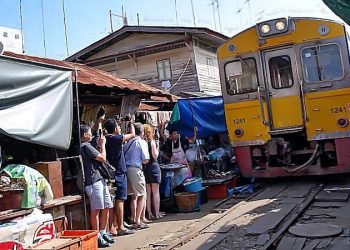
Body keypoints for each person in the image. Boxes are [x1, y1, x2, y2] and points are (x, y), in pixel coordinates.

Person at [80, 124, 115, 248]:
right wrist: (103, 145)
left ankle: (103, 231)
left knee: (106, 205)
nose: (91, 134)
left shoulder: (87, 146)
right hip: (93, 181)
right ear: (84, 134)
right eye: (89, 132)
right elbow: (102, 158)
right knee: (96, 209)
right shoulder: (86, 146)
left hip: (99, 179)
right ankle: (97, 236)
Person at [104, 118, 136, 236]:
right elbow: (132, 134)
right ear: (115, 129)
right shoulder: (116, 138)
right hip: (119, 172)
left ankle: (113, 226)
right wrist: (130, 122)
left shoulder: (104, 139)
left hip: (110, 173)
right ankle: (121, 227)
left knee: (112, 201)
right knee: (120, 200)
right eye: (117, 126)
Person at [124, 123, 150, 230]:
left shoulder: (128, 142)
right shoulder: (141, 142)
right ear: (142, 132)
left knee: (133, 196)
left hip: (127, 169)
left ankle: (133, 218)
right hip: (136, 169)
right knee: (142, 195)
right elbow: (145, 159)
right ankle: (137, 220)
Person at [143, 124, 162, 220]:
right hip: (153, 167)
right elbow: (155, 156)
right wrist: (157, 147)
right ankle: (157, 213)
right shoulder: (152, 142)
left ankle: (149, 214)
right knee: (155, 192)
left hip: (145, 168)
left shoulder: (142, 142)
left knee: (148, 193)